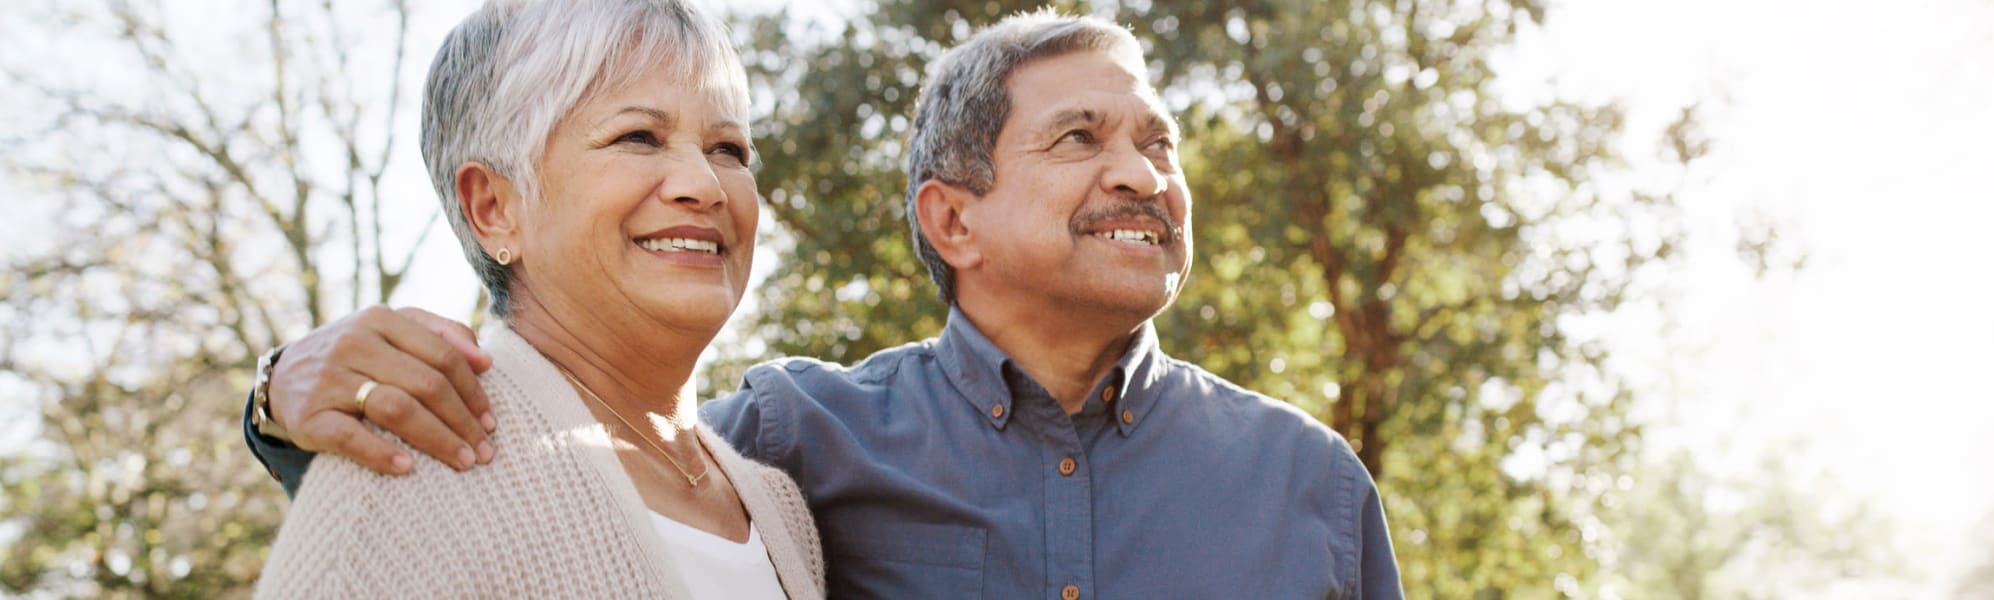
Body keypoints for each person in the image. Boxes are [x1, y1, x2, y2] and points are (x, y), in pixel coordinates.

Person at [247, 10, 1403, 599]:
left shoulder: (1311, 488)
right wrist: (279, 394)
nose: (1144, 176)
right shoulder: (803, 445)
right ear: (951, 221)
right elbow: (492, 499)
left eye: (1159, 144)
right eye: (1080, 139)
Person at [249, 1, 824, 597]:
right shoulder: (404, 479)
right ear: (493, 209)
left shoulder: (781, 511)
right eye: (638, 137)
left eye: (727, 149)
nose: (704, 186)